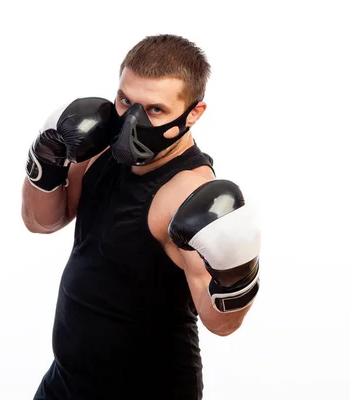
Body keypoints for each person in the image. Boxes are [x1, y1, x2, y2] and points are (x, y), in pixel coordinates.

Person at [21, 34, 261, 400]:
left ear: (193, 113)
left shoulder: (185, 194)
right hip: (66, 380)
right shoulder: (98, 148)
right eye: (125, 101)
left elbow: (221, 322)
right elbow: (41, 221)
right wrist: (46, 159)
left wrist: (237, 275)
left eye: (154, 109)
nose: (132, 119)